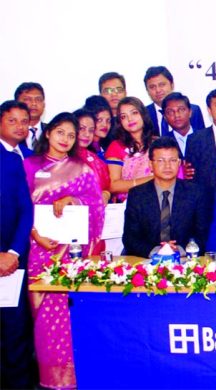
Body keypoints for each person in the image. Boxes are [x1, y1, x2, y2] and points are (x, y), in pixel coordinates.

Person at [24, 112, 104, 389]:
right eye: (61, 133)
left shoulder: (82, 169)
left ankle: (75, 379)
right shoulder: (29, 165)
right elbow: (21, 209)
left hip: (70, 256)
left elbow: (96, 208)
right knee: (44, 325)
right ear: (48, 133)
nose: (66, 139)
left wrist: (73, 199)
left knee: (70, 322)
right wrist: (34, 234)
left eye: (71, 135)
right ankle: (50, 380)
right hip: (38, 252)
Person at [123, 137, 211, 258]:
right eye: (160, 161)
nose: (167, 166)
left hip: (186, 260)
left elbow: (203, 236)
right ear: (151, 164)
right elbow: (130, 238)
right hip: (148, 261)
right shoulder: (137, 195)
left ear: (179, 163)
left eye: (172, 160)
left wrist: (179, 250)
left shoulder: (196, 193)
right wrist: (157, 251)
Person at [0, 147, 37, 390]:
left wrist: (12, 252)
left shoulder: (11, 160)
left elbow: (25, 209)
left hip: (10, 262)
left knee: (14, 332)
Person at [104, 97, 156, 202]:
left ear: (143, 114)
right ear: (120, 122)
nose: (130, 119)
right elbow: (113, 185)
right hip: (129, 205)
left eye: (134, 113)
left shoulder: (157, 143)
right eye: (124, 116)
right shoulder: (116, 146)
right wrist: (151, 180)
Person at [143, 66, 206, 136]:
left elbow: (201, 140)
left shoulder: (193, 110)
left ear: (172, 85)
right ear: (147, 91)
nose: (158, 90)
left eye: (162, 85)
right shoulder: (143, 113)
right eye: (152, 87)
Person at [74, 109, 111, 204]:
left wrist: (106, 194)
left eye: (91, 130)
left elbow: (106, 187)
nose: (87, 134)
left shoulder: (95, 159)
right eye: (82, 128)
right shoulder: (60, 157)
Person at [161, 92, 201, 156]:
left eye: (181, 110)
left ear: (190, 112)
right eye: (170, 112)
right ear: (165, 117)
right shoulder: (161, 143)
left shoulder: (206, 138)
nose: (177, 115)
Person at [14, 82, 46, 150]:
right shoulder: (8, 132)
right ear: (16, 103)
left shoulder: (51, 130)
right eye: (27, 99)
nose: (34, 103)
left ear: (44, 104)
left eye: (38, 99)